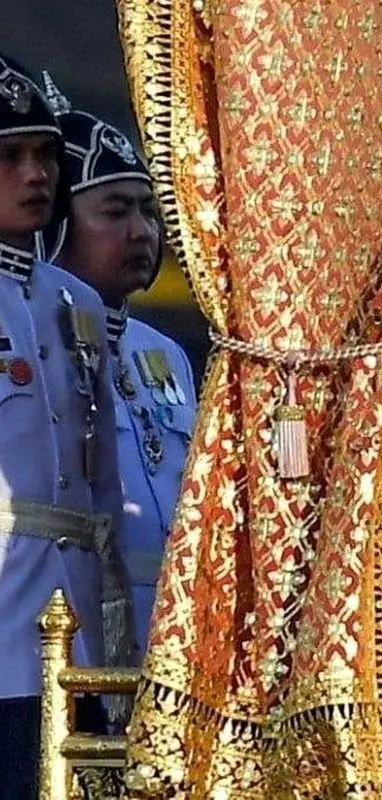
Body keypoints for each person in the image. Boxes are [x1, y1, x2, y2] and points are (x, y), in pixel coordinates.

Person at [0, 52, 126, 797]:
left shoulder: (77, 302)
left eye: (45, 156)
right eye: (10, 157)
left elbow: (102, 484)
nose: (35, 175)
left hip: (76, 614)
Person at [44, 76, 196, 661]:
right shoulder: (30, 343)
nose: (141, 231)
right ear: (57, 226)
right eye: (115, 211)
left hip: (171, 642)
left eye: (148, 210)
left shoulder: (165, 353)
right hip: (65, 634)